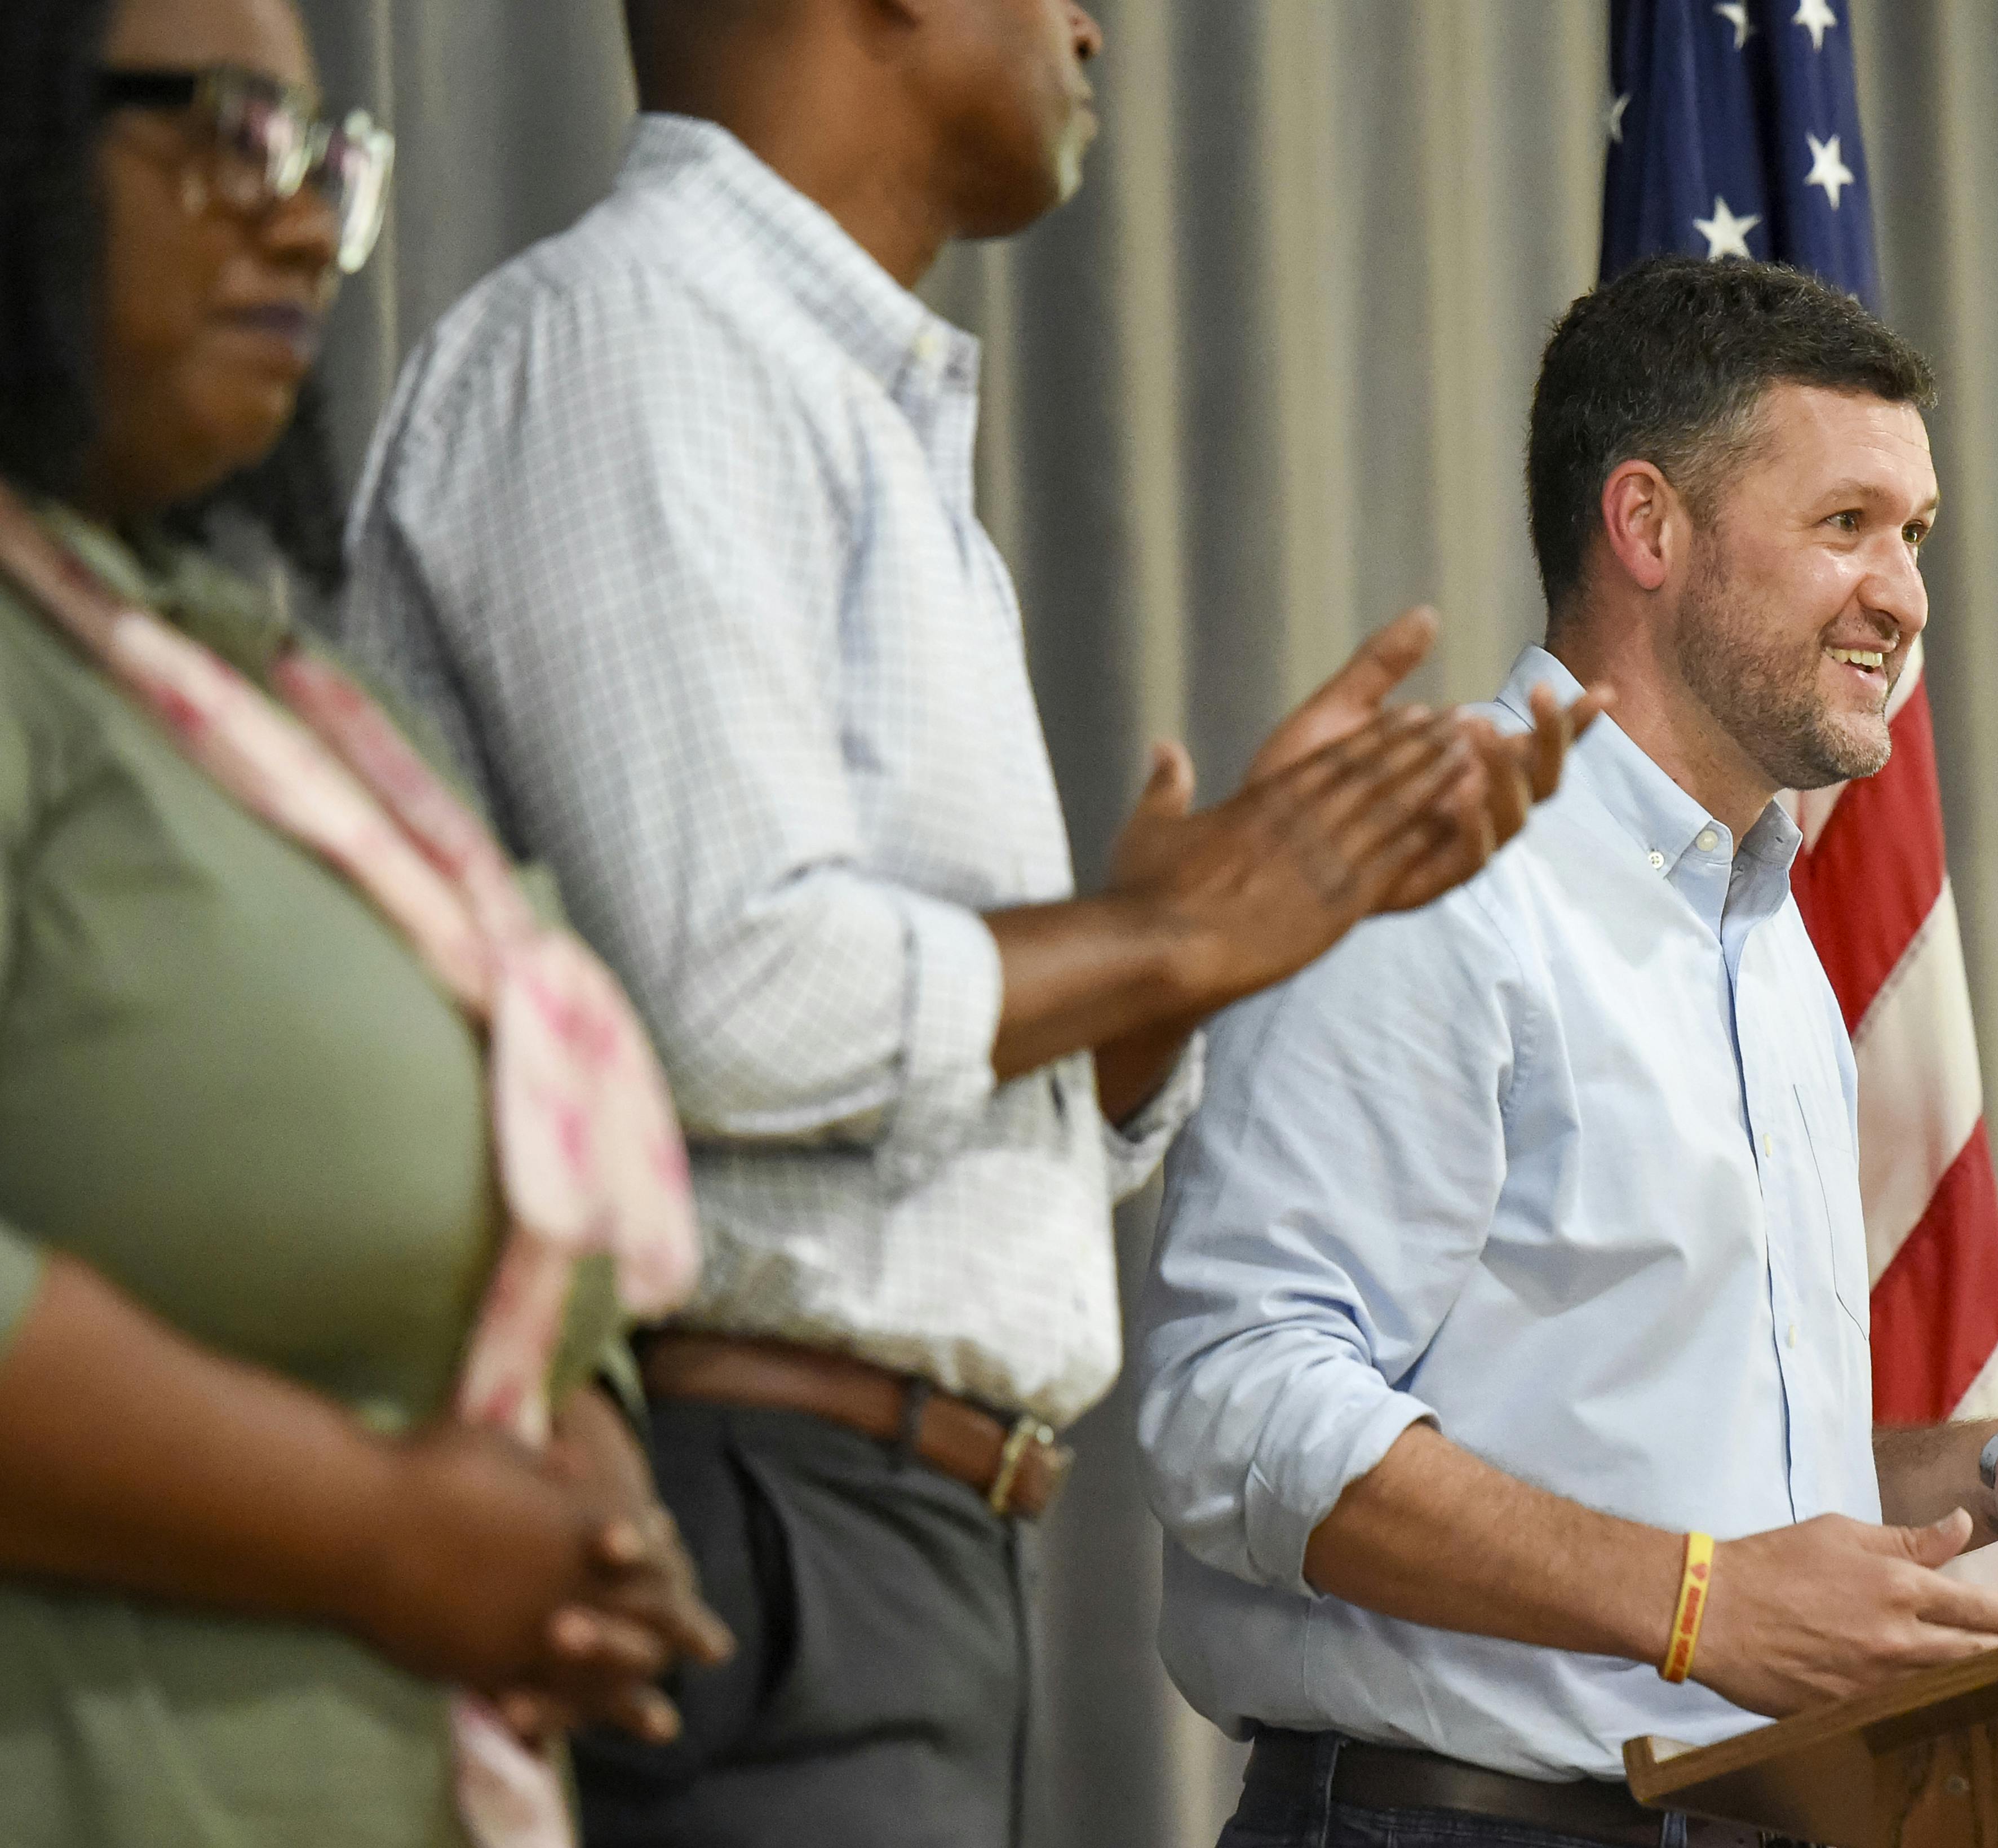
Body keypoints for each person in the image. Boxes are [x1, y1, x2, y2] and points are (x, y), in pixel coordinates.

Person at [339, 2, 1601, 1843]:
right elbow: (738, 1002)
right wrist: (1169, 942)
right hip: (728, 1514)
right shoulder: (637, 339)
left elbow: (905, 1122)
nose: (1092, 26)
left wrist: (1167, 973)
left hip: (905, 1546)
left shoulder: (843, 410)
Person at [1136, 255, 1998, 1848]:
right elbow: (1233, 1404)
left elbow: (1641, 1451)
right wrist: (1696, 1608)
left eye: (1917, 536)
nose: (1904, 595)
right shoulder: (1441, 864)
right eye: (1847, 527)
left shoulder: (1770, 944)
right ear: (1647, 527)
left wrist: (1973, 1473)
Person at [0, 1, 730, 1845]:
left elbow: (539, 1212)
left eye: (334, 161)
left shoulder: (289, 700)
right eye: (234, 137)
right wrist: (381, 1529)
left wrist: (586, 1488)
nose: (309, 221)